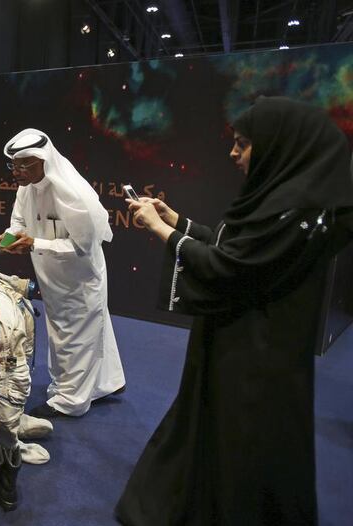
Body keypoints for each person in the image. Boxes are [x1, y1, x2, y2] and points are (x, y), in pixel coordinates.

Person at [116, 97, 353, 525]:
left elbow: (230, 268)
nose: (233, 153)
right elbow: (244, 253)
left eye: (242, 144)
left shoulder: (292, 209)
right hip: (243, 349)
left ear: (279, 146)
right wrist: (181, 223)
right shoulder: (283, 202)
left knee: (240, 447)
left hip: (255, 362)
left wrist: (161, 230)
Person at [0, 128, 126, 417]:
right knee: (80, 330)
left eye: (23, 165)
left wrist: (35, 243)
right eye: (13, 166)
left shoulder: (73, 195)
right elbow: (18, 221)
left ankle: (69, 402)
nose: (16, 172)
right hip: (51, 276)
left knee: (74, 337)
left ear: (43, 161)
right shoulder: (26, 188)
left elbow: (83, 245)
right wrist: (10, 238)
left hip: (80, 279)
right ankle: (108, 382)